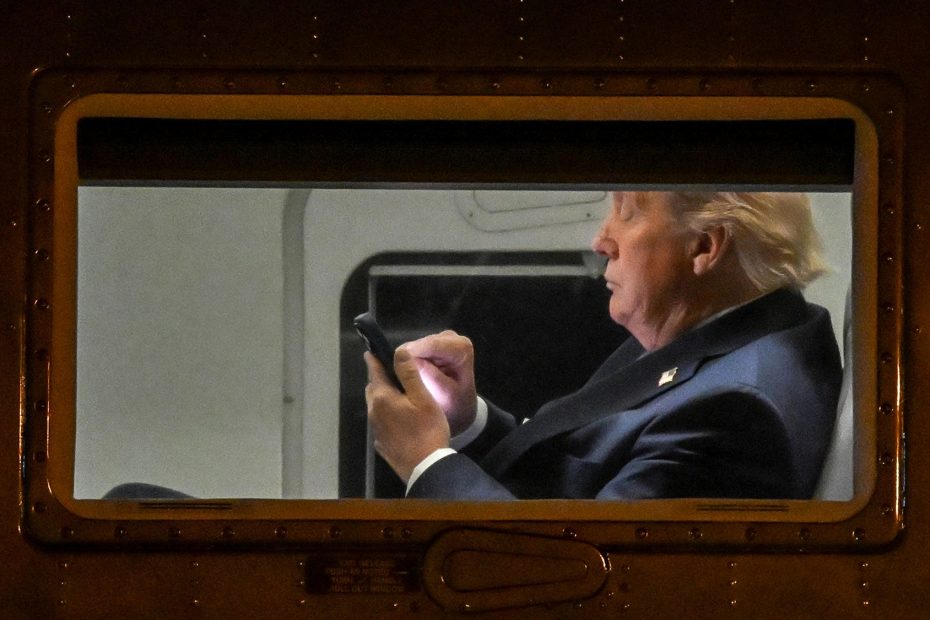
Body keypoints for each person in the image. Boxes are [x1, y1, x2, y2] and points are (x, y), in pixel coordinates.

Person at [364, 191, 842, 500]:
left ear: (704, 247)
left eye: (627, 213)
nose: (601, 241)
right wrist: (466, 421)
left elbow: (573, 577)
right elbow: (584, 475)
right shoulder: (714, 336)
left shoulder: (734, 413)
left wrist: (426, 461)